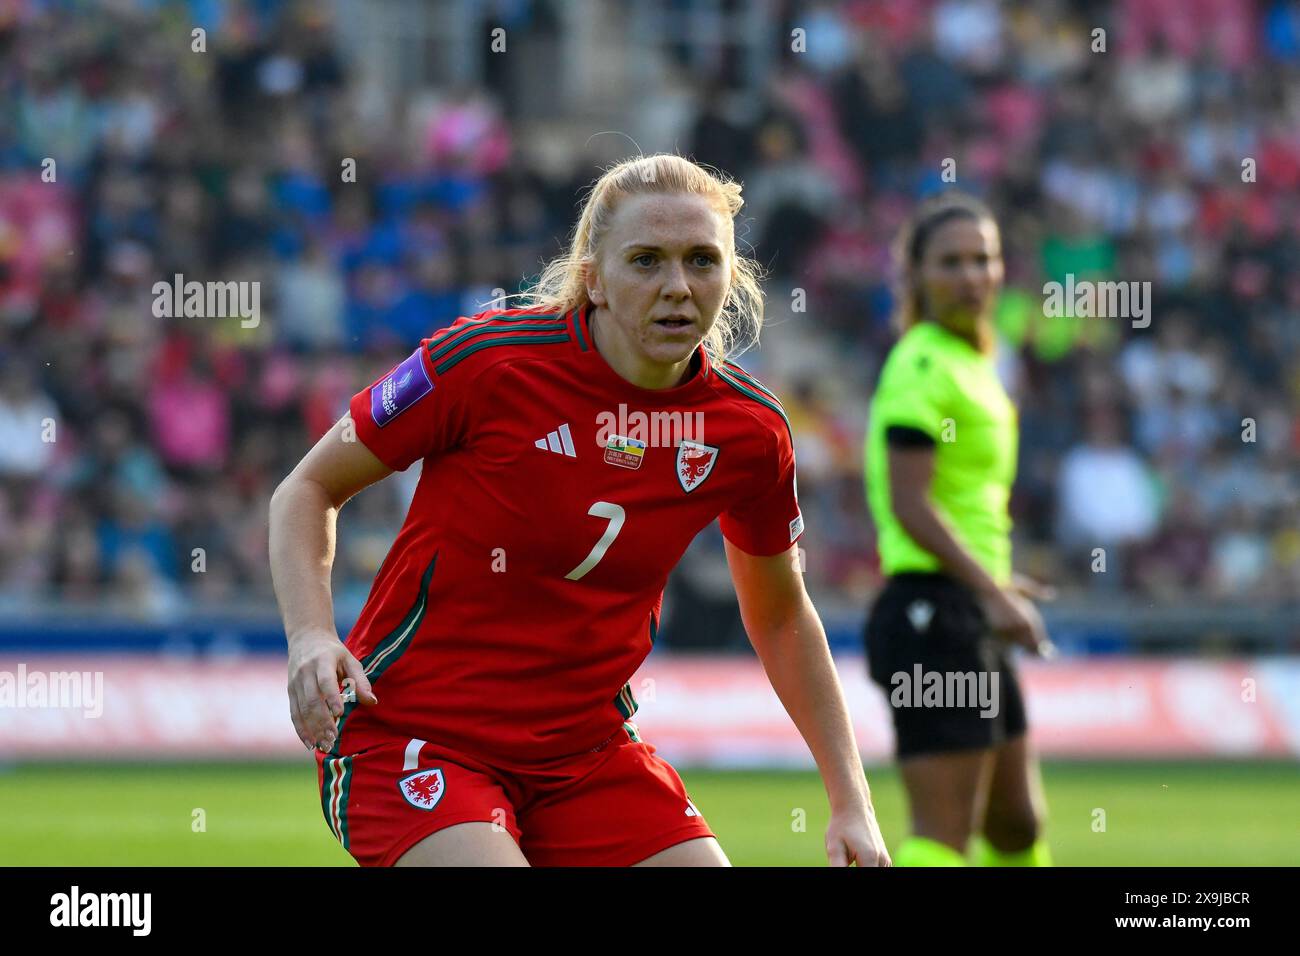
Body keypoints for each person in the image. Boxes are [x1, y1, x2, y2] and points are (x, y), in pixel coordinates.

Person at [269, 153, 891, 867]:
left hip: (585, 757)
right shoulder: (486, 363)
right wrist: (312, 636)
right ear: (592, 276)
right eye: (646, 261)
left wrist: (851, 802)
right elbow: (307, 489)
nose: (678, 287)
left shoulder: (748, 431)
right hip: (414, 736)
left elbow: (781, 616)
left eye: (701, 261)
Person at [863, 191, 1054, 867]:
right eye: (951, 261)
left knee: (1016, 825)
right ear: (915, 274)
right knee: (944, 835)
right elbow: (911, 504)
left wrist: (995, 585)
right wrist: (993, 591)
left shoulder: (974, 363)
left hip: (967, 603)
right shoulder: (921, 363)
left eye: (984, 259)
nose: (971, 275)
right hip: (930, 612)